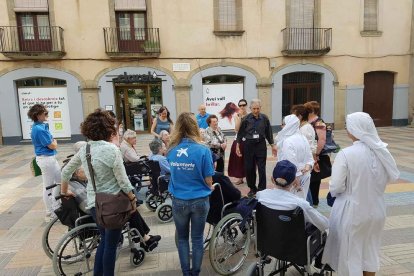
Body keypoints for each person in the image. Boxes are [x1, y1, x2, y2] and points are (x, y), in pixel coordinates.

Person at [60, 109, 160, 276]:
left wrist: (65, 191)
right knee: (110, 245)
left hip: (94, 204)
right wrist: (133, 199)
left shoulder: (85, 149)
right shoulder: (112, 149)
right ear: (107, 129)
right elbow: (123, 181)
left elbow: (65, 172)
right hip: (113, 205)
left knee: (105, 242)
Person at [322, 112, 399, 276]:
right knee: (370, 251)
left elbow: (336, 186)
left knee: (351, 256)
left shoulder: (346, 154)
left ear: (354, 129)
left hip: (353, 210)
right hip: (377, 209)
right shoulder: (382, 151)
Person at [167, 112, 215, 276]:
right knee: (197, 239)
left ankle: (186, 273)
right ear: (195, 126)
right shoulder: (203, 150)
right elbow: (209, 179)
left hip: (179, 199)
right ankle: (195, 273)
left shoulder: (171, 149)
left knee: (182, 239)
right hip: (200, 200)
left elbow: (173, 173)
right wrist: (211, 187)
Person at [256, 160, 328, 232]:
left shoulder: (260, 196)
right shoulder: (300, 204)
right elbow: (325, 224)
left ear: (272, 179)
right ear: (294, 182)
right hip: (294, 241)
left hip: (265, 240)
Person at [236, 99, 277, 197]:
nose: (256, 110)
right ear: (250, 108)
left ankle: (262, 189)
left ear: (260, 108)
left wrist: (272, 145)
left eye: (257, 108)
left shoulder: (264, 118)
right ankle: (252, 188)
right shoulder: (246, 119)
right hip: (248, 145)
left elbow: (269, 133)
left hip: (261, 145)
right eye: (254, 108)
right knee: (249, 168)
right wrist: (238, 145)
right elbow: (240, 133)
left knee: (262, 168)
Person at [27, 104, 61, 222]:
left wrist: (53, 143)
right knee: (48, 186)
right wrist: (55, 143)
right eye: (45, 113)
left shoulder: (41, 126)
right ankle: (49, 213)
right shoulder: (39, 129)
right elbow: (52, 145)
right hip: (46, 159)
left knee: (60, 182)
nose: (47, 115)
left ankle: (56, 206)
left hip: (49, 158)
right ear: (37, 115)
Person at [275, 114, 314, 199]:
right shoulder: (302, 137)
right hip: (305, 174)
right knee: (302, 200)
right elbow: (310, 158)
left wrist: (296, 179)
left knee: (291, 202)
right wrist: (308, 165)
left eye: (283, 124)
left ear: (288, 125)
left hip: (291, 177)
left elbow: (291, 162)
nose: (282, 126)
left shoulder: (287, 141)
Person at [304, 101, 328, 207]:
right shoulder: (309, 121)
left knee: (314, 179)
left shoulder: (319, 122)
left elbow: (322, 140)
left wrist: (316, 155)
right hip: (310, 155)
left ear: (312, 111)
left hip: (316, 155)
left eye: (307, 110)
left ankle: (314, 201)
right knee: (310, 178)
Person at [228, 99, 248, 185]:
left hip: (248, 139)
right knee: (238, 159)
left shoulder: (250, 115)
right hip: (239, 139)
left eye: (244, 105)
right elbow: (236, 129)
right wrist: (240, 117)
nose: (242, 107)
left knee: (249, 159)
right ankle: (240, 178)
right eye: (240, 105)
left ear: (246, 106)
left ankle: (249, 176)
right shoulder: (237, 116)